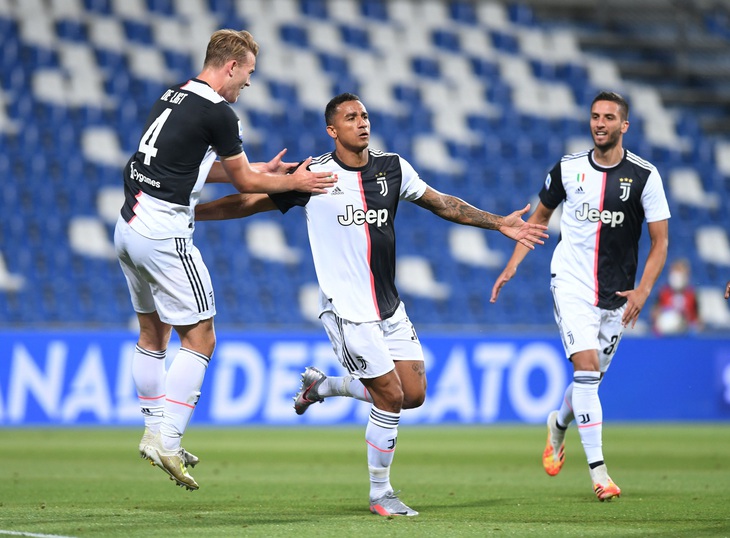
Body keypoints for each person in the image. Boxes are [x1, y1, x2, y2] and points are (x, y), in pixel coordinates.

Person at [195, 92, 549, 515]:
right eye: (350, 117)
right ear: (332, 130)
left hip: (389, 307)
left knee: (413, 394)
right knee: (390, 396)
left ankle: (322, 386)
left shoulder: (392, 167)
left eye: (364, 115)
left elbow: (441, 203)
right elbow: (248, 202)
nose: (362, 122)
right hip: (347, 310)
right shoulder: (315, 176)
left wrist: (498, 223)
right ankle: (381, 492)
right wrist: (194, 214)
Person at [113, 29, 335, 491]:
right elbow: (244, 184)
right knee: (202, 336)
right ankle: (168, 438)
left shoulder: (173, 95)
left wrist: (262, 172)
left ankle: (156, 428)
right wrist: (292, 181)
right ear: (230, 66)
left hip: (128, 227)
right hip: (164, 232)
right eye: (248, 73)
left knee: (153, 332)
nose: (248, 84)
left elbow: (186, 165)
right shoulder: (220, 112)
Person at [490, 91, 670, 501]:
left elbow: (660, 242)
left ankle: (557, 424)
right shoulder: (568, 169)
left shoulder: (645, 176)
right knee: (586, 369)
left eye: (609, 117)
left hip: (618, 293)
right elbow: (537, 220)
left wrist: (643, 289)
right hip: (570, 282)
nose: (600, 123)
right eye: (594, 116)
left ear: (624, 125)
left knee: (589, 381)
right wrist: (513, 265)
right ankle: (600, 474)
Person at [651, 258, 700, 335]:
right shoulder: (663, 293)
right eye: (675, 272)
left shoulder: (692, 295)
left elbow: (698, 320)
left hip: (684, 336)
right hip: (665, 336)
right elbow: (654, 314)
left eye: (680, 273)